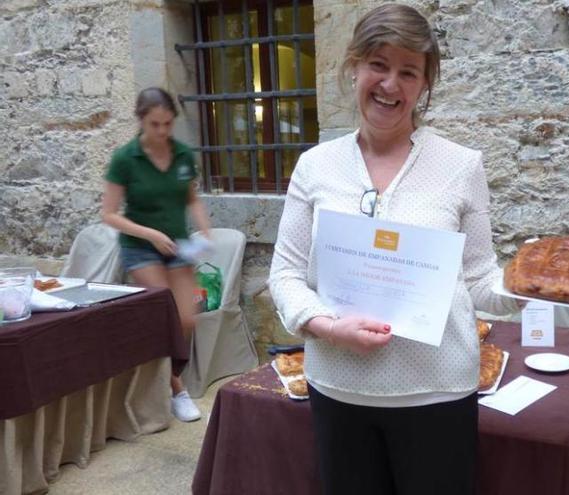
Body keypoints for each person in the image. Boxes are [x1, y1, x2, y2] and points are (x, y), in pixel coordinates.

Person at [268, 4, 518, 494]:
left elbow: (482, 282)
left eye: (409, 72)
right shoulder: (316, 166)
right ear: (354, 66)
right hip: (339, 389)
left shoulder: (461, 167)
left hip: (437, 394)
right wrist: (327, 327)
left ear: (425, 84)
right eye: (379, 65)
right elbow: (286, 274)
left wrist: (544, 289)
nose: (390, 84)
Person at [101, 87, 210, 422]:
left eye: (167, 124)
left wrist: (205, 229)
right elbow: (109, 214)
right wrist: (149, 233)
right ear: (141, 121)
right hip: (140, 248)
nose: (162, 131)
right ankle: (178, 390)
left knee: (187, 318)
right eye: (154, 125)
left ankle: (165, 375)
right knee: (162, 314)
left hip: (177, 245)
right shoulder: (125, 159)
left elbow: (190, 198)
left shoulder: (182, 155)